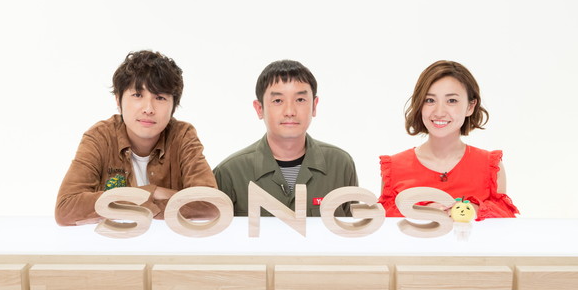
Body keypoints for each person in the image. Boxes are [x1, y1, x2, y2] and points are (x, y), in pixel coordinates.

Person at [55, 50, 217, 226]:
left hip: (169, 242)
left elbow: (210, 205)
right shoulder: (100, 137)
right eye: (138, 95)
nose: (148, 109)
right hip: (117, 241)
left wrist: (118, 202)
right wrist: (152, 192)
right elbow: (66, 208)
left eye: (160, 97)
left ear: (173, 107)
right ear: (118, 101)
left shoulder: (183, 136)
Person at [213, 59, 358, 216]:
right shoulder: (230, 173)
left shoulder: (340, 165)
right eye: (278, 101)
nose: (290, 111)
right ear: (259, 108)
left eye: (300, 100)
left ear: (314, 106)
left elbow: (355, 228)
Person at [378, 60, 519, 220]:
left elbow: (504, 225)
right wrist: (423, 212)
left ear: (470, 107)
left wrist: (472, 210)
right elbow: (384, 226)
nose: (439, 112)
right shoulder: (394, 168)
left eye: (452, 101)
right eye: (429, 100)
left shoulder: (490, 166)